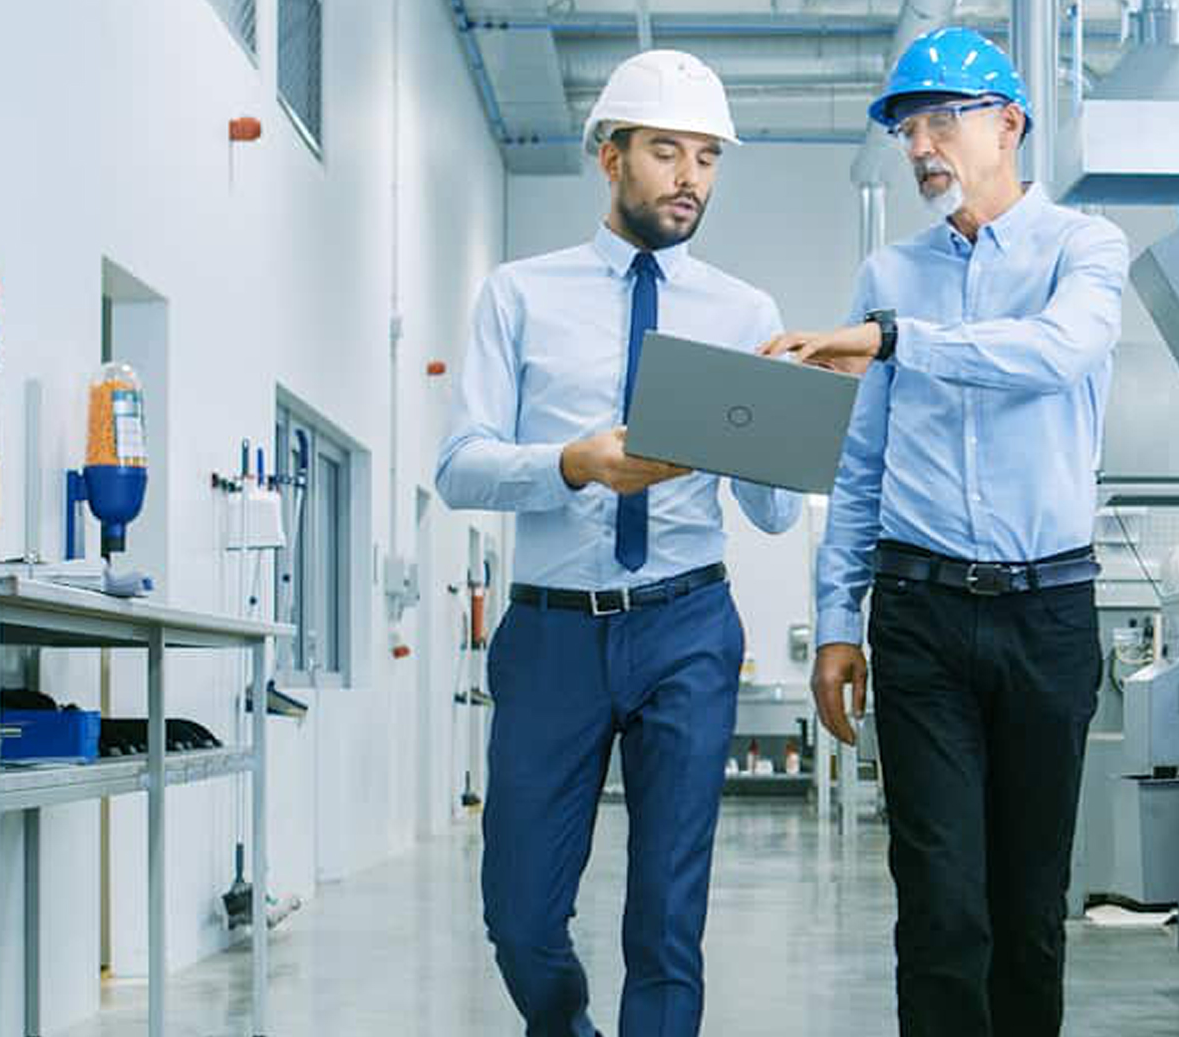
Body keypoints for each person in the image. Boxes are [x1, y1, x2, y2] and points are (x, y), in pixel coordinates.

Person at [760, 27, 1129, 1037]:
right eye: (907, 126)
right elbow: (860, 461)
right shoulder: (890, 270)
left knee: (1027, 908)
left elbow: (1054, 353)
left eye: (942, 118)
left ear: (1009, 124)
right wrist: (838, 621)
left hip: (1048, 613)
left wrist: (892, 339)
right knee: (940, 907)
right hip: (919, 617)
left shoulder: (1082, 250)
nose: (921, 143)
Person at [435, 48, 802, 1037]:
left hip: (687, 623)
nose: (690, 178)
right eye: (666, 152)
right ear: (609, 156)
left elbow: (771, 513)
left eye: (707, 159)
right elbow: (459, 463)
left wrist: (790, 425)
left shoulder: (744, 314)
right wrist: (575, 464)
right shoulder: (519, 295)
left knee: (667, 919)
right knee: (519, 916)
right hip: (553, 633)